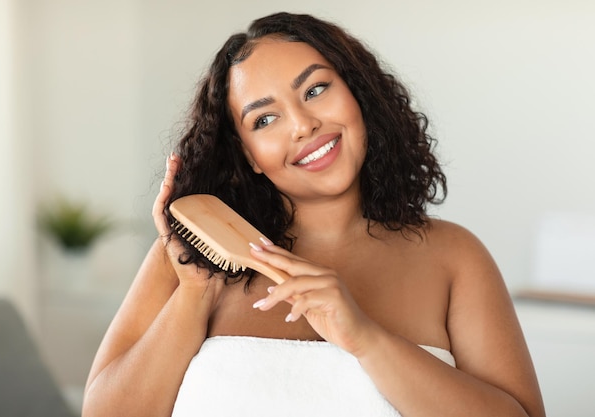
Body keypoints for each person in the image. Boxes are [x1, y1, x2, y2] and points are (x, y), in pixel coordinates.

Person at [82, 12, 546, 417]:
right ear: (249, 156)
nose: (303, 125)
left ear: (358, 94)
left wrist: (365, 337)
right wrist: (194, 294)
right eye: (265, 120)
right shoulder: (183, 259)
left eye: (316, 89)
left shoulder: (453, 257)